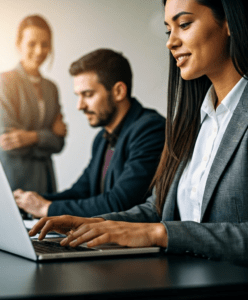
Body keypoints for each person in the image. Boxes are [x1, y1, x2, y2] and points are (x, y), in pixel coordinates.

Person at [29, 0, 248, 263]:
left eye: (184, 24)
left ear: (228, 23)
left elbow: (159, 226)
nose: (171, 42)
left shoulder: (150, 128)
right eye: (168, 30)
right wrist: (90, 223)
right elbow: (156, 211)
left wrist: (160, 233)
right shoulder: (189, 123)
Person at [14, 49, 166, 218]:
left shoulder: (151, 130)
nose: (80, 106)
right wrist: (27, 203)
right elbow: (81, 192)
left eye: (88, 95)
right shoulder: (102, 139)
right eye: (78, 96)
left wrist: (47, 209)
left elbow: (120, 203)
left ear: (118, 92)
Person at [0, 15, 67, 195]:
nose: (40, 51)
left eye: (45, 44)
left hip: (46, 181)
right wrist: (46, 136)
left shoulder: (51, 88)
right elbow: (9, 141)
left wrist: (30, 137)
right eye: (32, 44)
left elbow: (58, 143)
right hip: (16, 178)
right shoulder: (4, 81)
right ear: (19, 45)